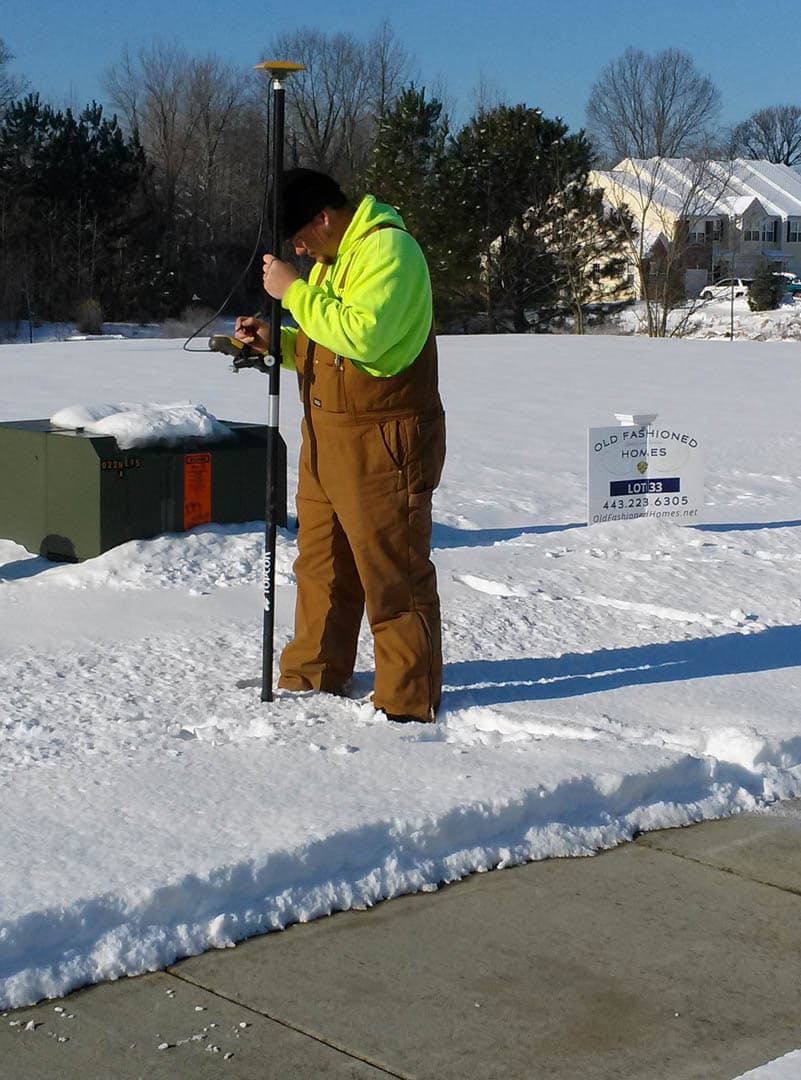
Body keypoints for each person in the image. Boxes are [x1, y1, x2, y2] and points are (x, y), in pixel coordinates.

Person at [235, 168, 446, 724]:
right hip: (326, 439)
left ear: (324, 217)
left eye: (300, 238)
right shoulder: (332, 263)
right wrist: (275, 341)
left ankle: (407, 698)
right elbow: (325, 341)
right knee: (322, 564)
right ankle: (313, 675)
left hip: (383, 440)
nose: (298, 249)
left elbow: (366, 336)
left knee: (392, 571)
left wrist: (293, 291)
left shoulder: (389, 251)